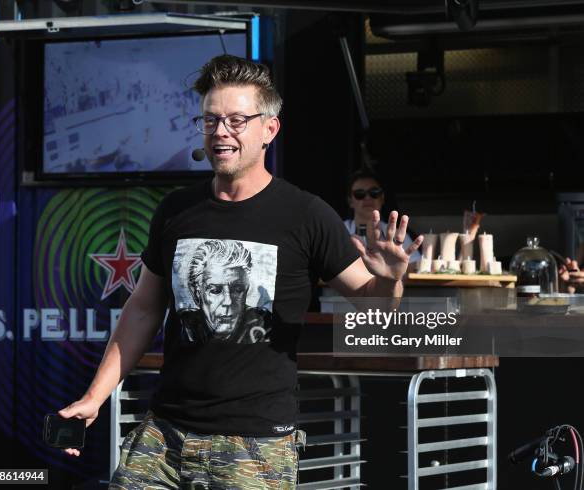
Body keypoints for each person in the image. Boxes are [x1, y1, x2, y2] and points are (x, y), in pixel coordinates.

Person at [58, 55, 423, 489]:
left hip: (255, 444)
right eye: (210, 120)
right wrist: (95, 397)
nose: (220, 132)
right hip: (165, 436)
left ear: (269, 129)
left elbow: (375, 301)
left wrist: (391, 278)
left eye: (236, 120)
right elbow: (142, 309)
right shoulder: (176, 210)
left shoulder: (306, 215)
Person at [177, 239, 272, 344]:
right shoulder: (184, 326)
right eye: (215, 290)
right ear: (197, 294)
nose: (228, 301)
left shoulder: (260, 321)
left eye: (237, 290)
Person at [344, 169, 421, 264]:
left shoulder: (398, 235)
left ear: (382, 198)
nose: (367, 198)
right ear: (350, 201)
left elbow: (416, 267)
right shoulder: (338, 231)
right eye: (359, 194)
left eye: (374, 192)